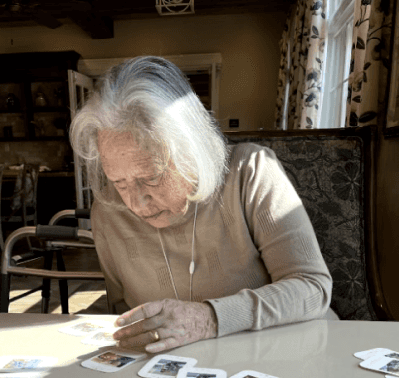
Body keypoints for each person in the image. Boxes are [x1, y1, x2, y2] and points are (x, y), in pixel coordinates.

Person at [70, 56, 335, 354]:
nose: (135, 202)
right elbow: (120, 311)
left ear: (193, 151)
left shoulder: (251, 172)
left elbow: (312, 288)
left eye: (152, 177)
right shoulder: (108, 212)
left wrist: (209, 319)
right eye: (119, 182)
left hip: (289, 352)